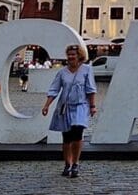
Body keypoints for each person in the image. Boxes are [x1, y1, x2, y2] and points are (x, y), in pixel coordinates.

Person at [42, 44, 98, 178]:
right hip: (65, 106)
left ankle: (76, 163)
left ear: (79, 56)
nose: (71, 57)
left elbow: (91, 89)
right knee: (67, 137)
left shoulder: (86, 70)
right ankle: (68, 163)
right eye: (69, 55)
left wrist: (92, 106)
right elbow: (54, 89)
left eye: (74, 54)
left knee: (77, 132)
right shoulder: (62, 72)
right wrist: (46, 105)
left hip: (80, 105)